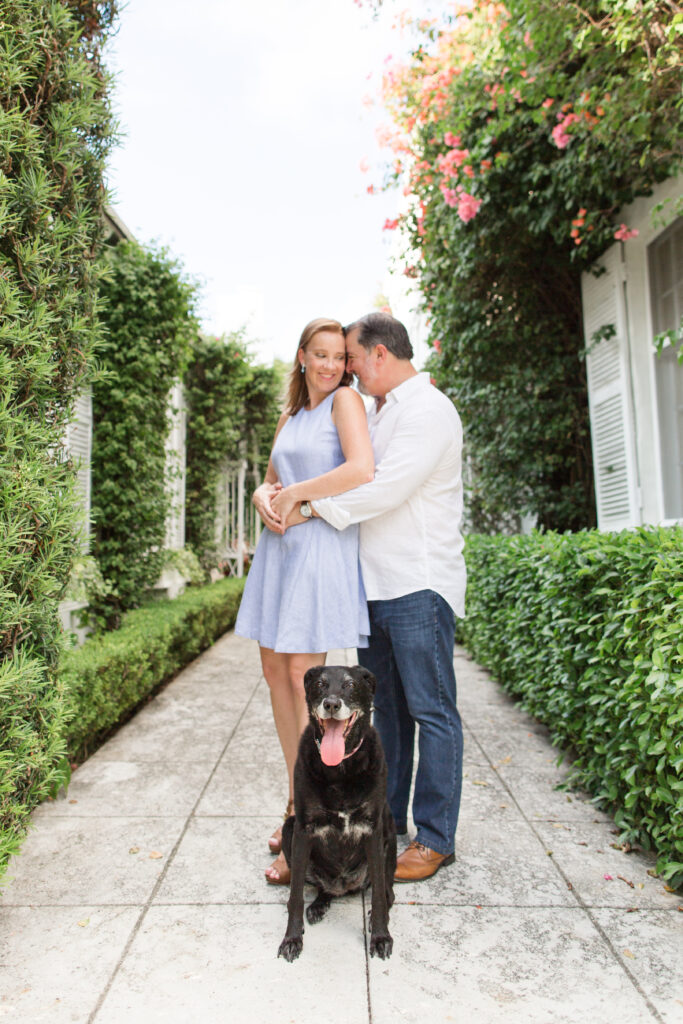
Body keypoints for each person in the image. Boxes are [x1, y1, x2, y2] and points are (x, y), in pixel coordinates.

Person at [282, 311, 466, 882]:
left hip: (418, 582)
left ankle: (434, 840)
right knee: (388, 716)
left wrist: (310, 506)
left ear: (380, 355)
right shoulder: (382, 411)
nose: (350, 373)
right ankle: (386, 826)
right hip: (376, 587)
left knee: (431, 711)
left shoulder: (428, 409)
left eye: (355, 361)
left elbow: (383, 489)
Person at [234, 317, 374, 885]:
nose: (330, 365)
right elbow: (270, 478)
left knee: (301, 676)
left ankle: (309, 821)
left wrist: (295, 494)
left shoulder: (345, 402)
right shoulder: (291, 413)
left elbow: (361, 470)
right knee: (273, 669)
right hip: (279, 552)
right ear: (300, 356)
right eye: (319, 354)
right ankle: (295, 799)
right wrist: (262, 494)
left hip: (319, 548)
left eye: (338, 356)